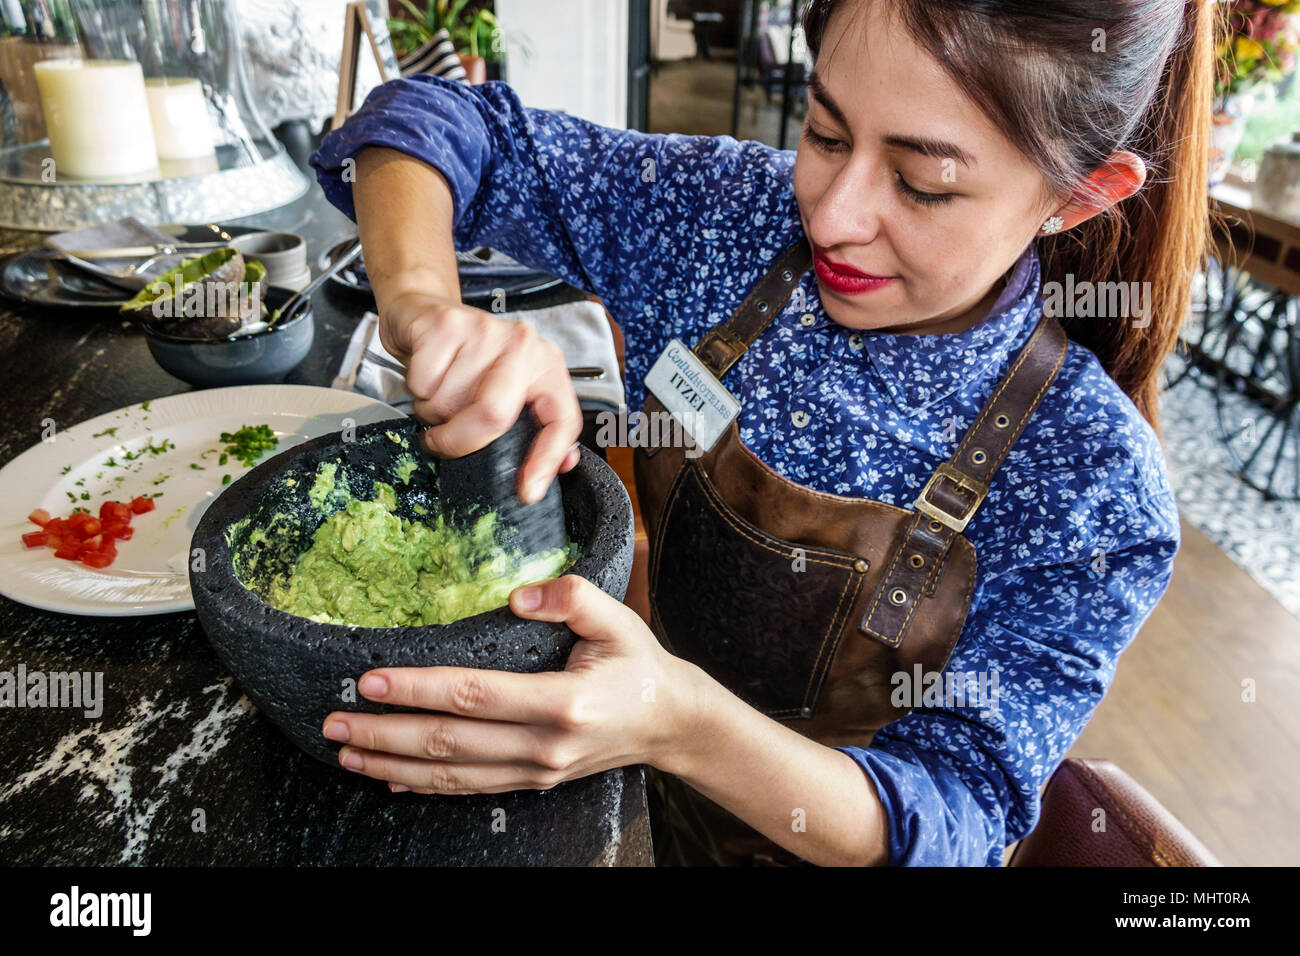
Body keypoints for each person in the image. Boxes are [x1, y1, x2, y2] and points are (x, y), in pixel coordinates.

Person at [307, 0, 1213, 866]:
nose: (832, 214)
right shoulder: (725, 220)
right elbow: (429, 120)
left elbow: (951, 820)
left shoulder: (1090, 481)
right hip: (632, 794)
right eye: (823, 131)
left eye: (923, 183)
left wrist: (678, 723)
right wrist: (426, 312)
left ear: (1083, 195)